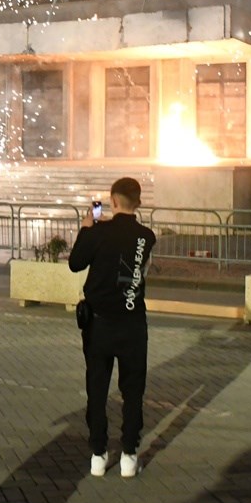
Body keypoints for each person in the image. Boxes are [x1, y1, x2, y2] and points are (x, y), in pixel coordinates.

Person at [68, 177, 156, 479]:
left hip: (99, 324)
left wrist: (86, 229)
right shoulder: (147, 236)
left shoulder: (98, 232)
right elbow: (138, 269)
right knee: (133, 391)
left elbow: (75, 263)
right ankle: (129, 455)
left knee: (97, 389)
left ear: (113, 201)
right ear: (138, 202)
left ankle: (98, 454)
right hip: (132, 323)